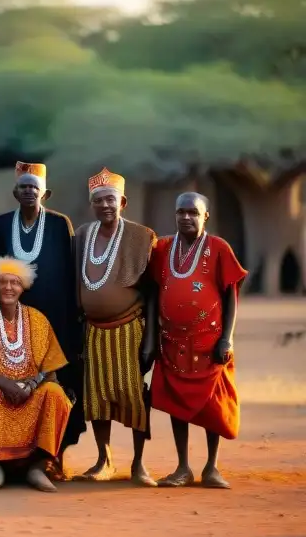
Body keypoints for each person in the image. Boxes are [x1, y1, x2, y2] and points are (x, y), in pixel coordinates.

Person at [149, 192, 247, 489]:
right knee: (177, 404)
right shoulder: (163, 248)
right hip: (172, 342)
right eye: (181, 212)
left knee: (212, 405)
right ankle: (182, 467)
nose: (186, 218)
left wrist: (226, 339)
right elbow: (153, 293)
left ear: (206, 216)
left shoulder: (218, 248)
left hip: (209, 342)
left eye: (193, 212)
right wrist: (152, 338)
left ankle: (212, 467)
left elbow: (230, 295)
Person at [0, 162, 83, 472]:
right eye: (24, 187)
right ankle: (12, 457)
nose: (29, 191)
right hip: (14, 326)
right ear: (15, 192)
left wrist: (73, 327)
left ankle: (53, 456)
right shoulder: (0, 226)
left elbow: (71, 277)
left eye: (35, 187)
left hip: (56, 322)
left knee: (57, 387)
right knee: (15, 386)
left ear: (46, 193)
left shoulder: (59, 224)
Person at [74, 168, 158, 486]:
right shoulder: (83, 235)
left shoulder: (141, 236)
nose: (105, 205)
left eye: (110, 199)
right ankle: (104, 459)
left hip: (130, 330)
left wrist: (150, 339)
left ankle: (138, 464)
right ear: (92, 204)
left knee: (134, 395)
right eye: (99, 200)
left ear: (122, 201)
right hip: (94, 331)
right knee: (97, 398)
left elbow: (152, 293)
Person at [0, 256, 73, 493]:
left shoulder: (37, 319)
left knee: (54, 392)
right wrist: (5, 385)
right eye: (3, 282)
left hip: (29, 392)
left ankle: (38, 466)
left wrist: (31, 386)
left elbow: (50, 366)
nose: (8, 288)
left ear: (23, 287)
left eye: (14, 282)